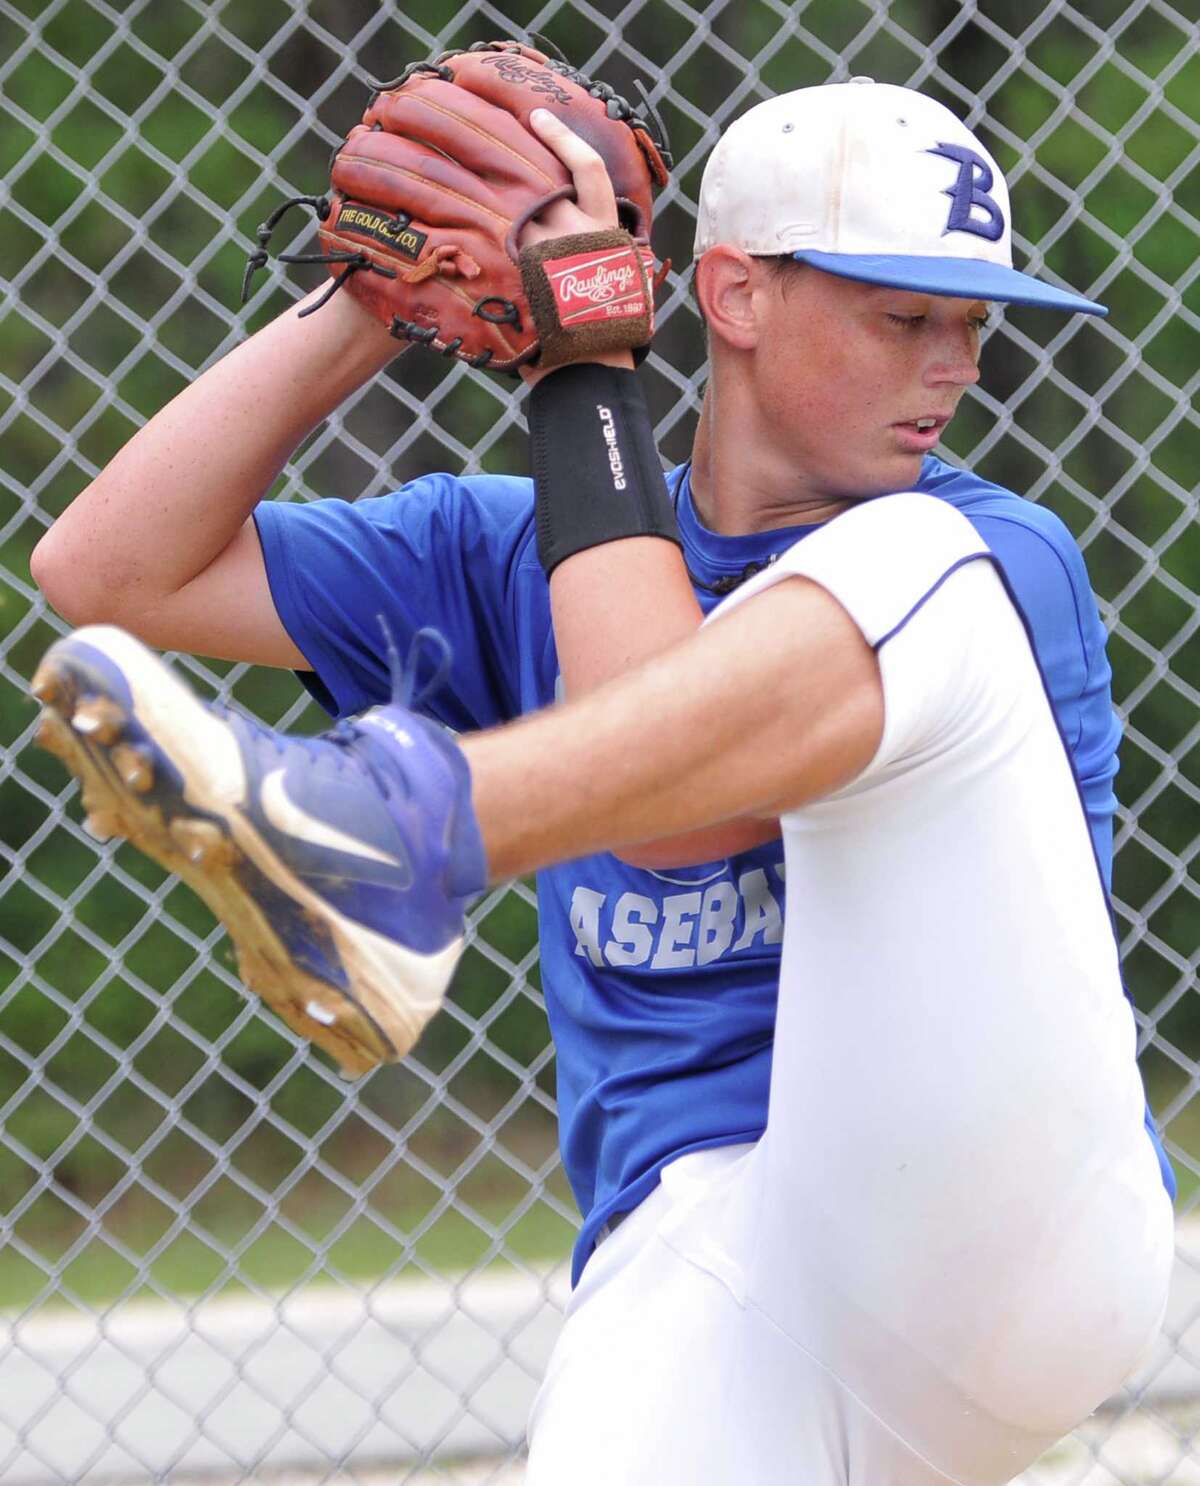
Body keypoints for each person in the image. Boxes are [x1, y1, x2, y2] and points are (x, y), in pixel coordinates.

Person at [31, 76, 1174, 1485]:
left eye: (973, 325)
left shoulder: (989, 559)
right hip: (707, 1263)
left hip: (985, 1224)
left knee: (924, 567)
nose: (958, 366)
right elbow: (106, 571)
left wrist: (582, 379)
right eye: (904, 316)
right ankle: (385, 832)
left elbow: (688, 817)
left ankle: (390, 831)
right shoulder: (498, 550)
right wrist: (375, 298)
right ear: (736, 299)